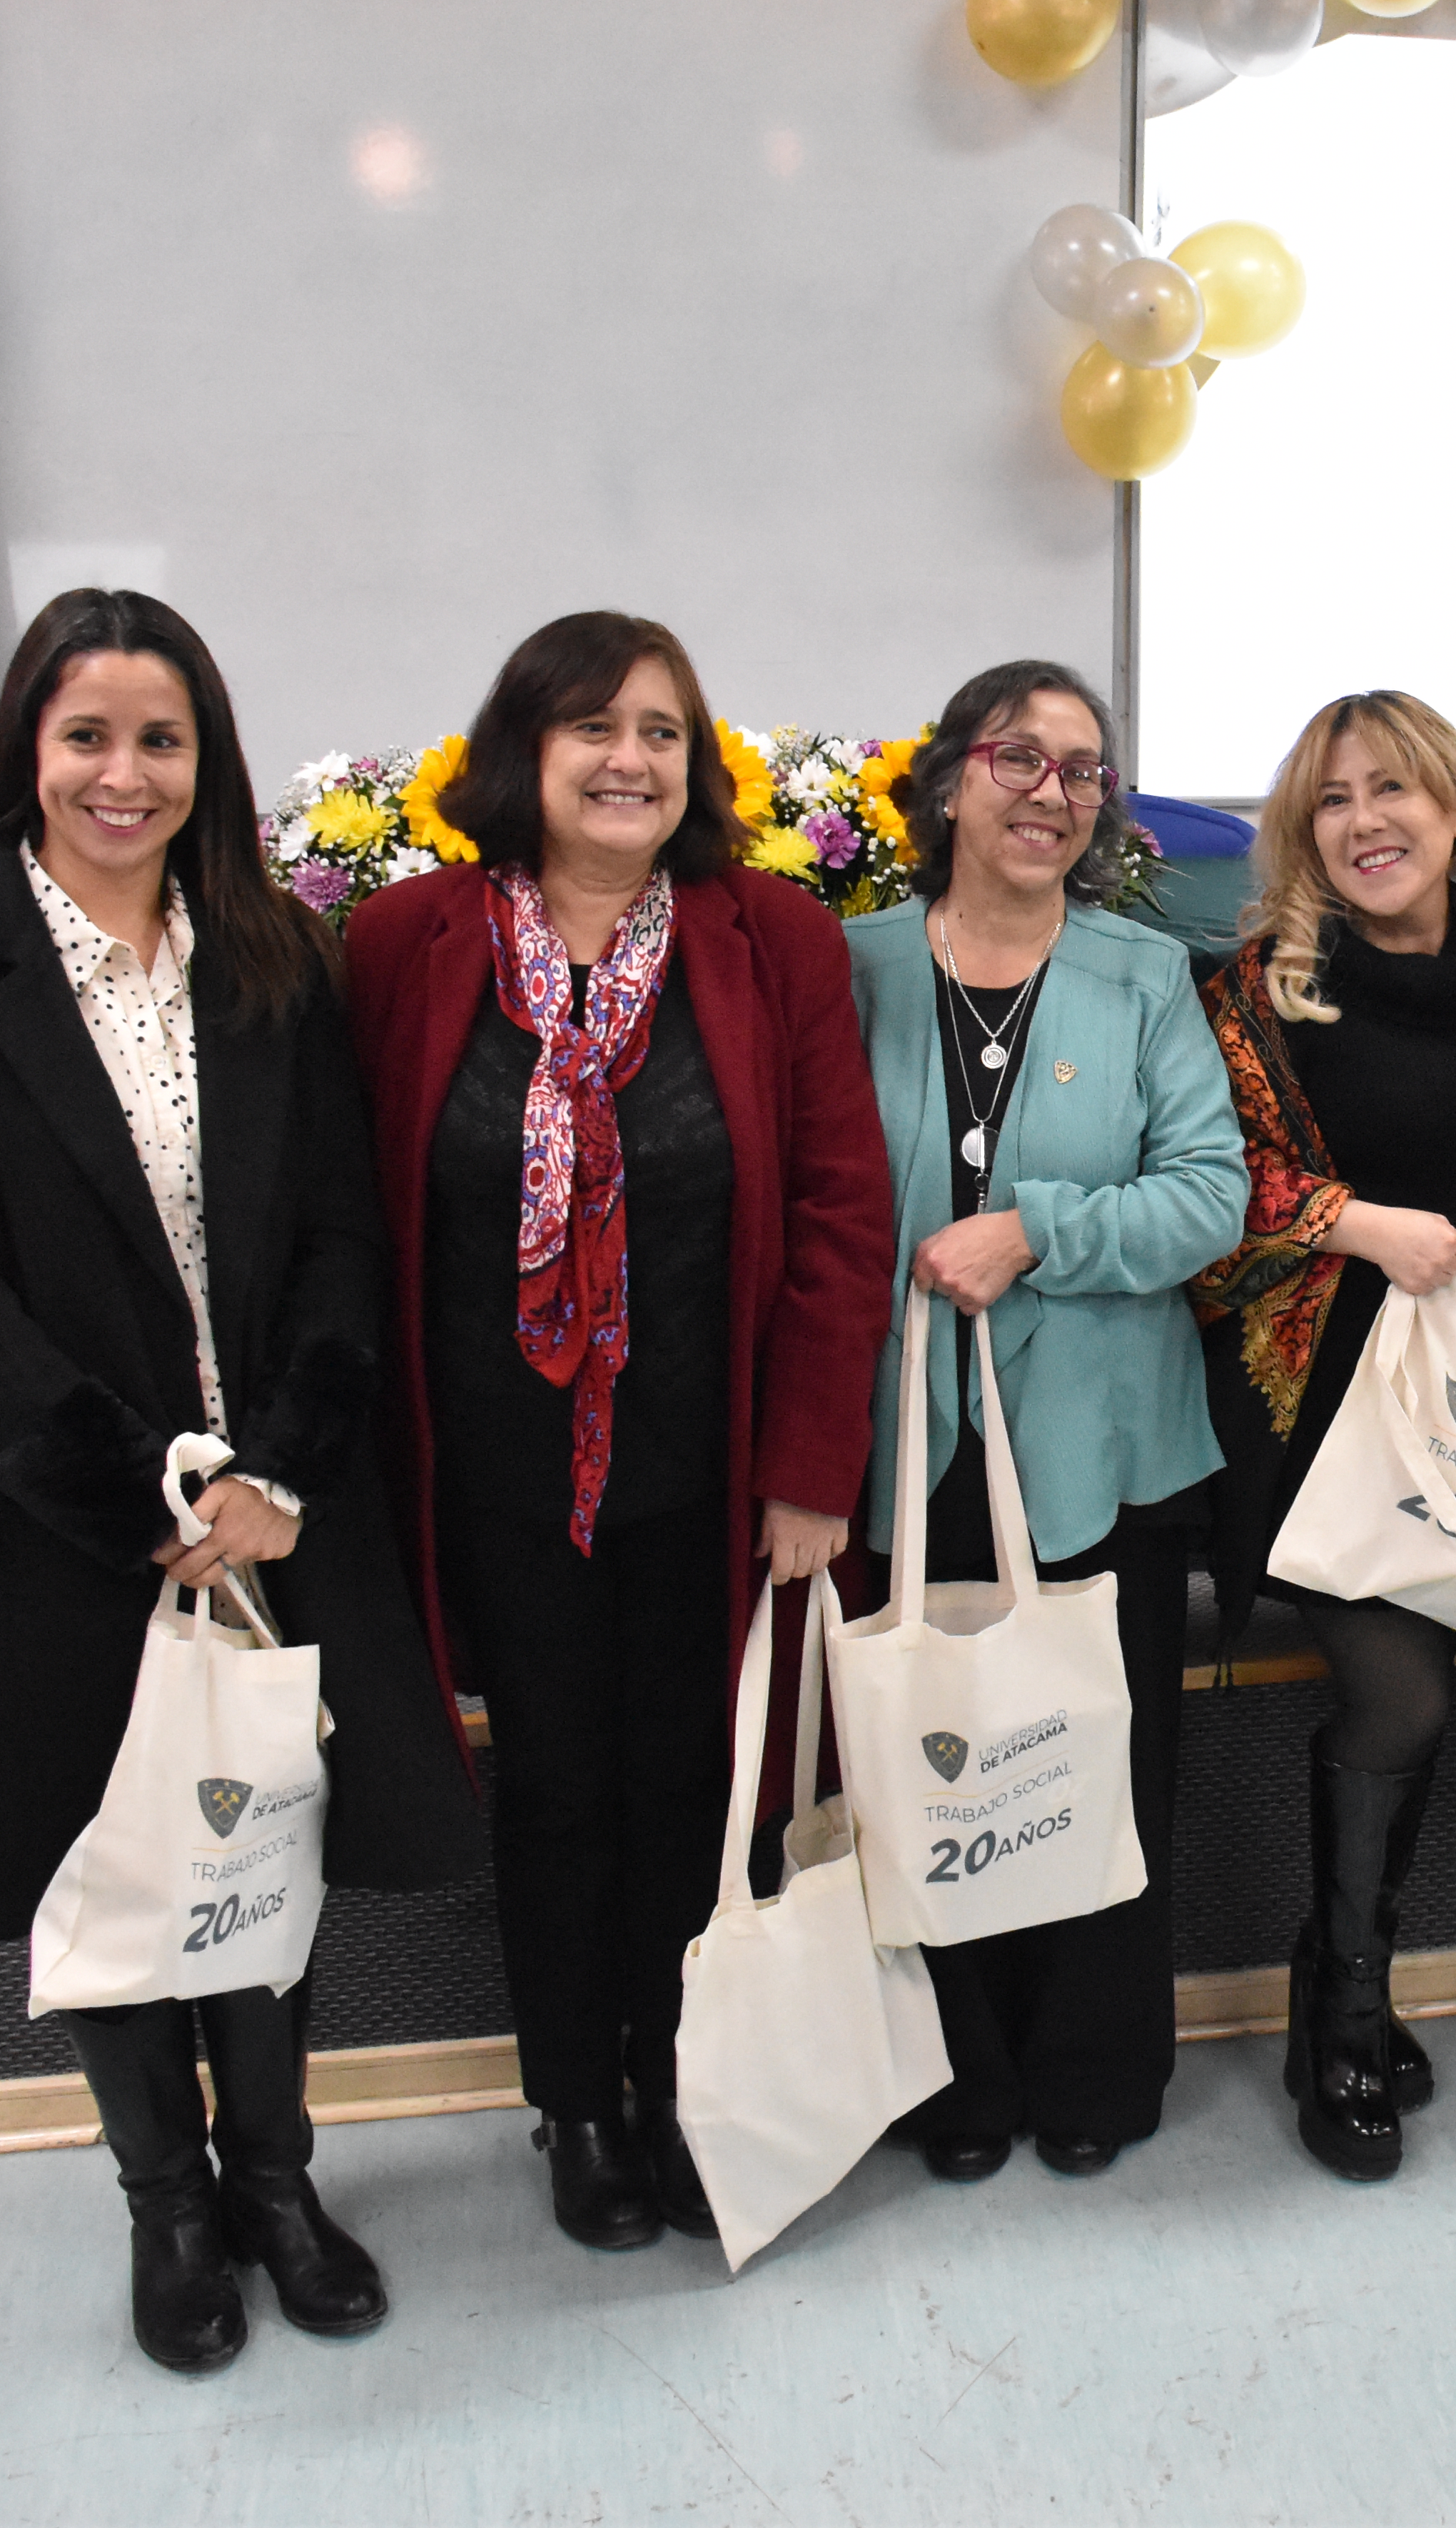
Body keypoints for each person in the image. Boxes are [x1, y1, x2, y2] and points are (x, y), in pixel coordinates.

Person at [0, 590, 481, 2375]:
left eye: (160, 739)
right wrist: (134, 1490)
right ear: (26, 754)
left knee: (260, 1845)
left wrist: (281, 1463)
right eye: (85, 735)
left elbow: (351, 1236)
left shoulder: (278, 953)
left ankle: (279, 2183)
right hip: (60, 1516)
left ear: (204, 759)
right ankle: (170, 2206)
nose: (121, 774)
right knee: (117, 1868)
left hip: (276, 1507)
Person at [342, 611, 894, 2253]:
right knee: (554, 1790)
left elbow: (841, 1219)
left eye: (662, 729)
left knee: (687, 1788)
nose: (629, 757)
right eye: (592, 725)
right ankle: (574, 2101)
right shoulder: (403, 941)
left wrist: (810, 1468)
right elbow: (358, 1214)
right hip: (494, 1474)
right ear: (523, 749)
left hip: (702, 1467)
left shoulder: (771, 940)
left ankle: (673, 2085)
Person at [849, 658, 1246, 2183]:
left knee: (1090, 1765)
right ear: (951, 778)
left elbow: (1208, 1196)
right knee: (925, 1763)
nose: (1051, 791)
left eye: (1085, 771)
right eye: (1020, 755)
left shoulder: (1144, 976)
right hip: (900, 1453)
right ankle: (953, 2074)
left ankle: (1092, 2061)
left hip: (1100, 1454)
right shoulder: (847, 962)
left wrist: (1037, 1229)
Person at [1189, 689, 1456, 2180]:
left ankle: (1344, 1968)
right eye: (1334, 799)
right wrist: (1353, 1222)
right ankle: (1343, 1999)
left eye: (1397, 788)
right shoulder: (1257, 993)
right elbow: (1203, 1192)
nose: (1368, 820)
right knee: (1401, 1698)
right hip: (1315, 1419)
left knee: (1450, 1678)